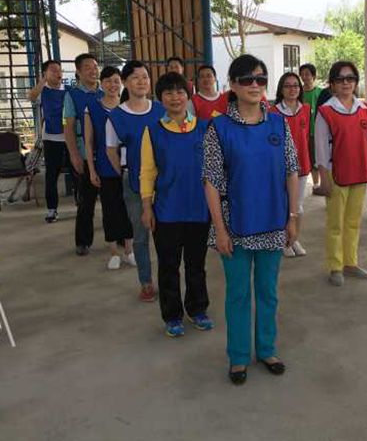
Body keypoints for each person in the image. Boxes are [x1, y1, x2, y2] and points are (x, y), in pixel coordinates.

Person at [203, 54, 299, 385]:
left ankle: (267, 349)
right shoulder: (219, 128)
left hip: (273, 221)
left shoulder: (278, 124)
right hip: (235, 226)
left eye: (260, 79)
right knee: (238, 294)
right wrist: (220, 230)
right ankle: (239, 357)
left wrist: (292, 217)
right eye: (247, 80)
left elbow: (292, 170)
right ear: (233, 85)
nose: (255, 85)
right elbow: (211, 181)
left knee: (268, 291)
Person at [140, 72, 213, 338]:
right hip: (167, 212)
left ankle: (198, 309)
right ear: (160, 98)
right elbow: (147, 172)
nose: (175, 97)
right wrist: (147, 208)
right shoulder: (153, 131)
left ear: (188, 95)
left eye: (180, 92)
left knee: (196, 265)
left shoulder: (205, 128)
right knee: (169, 266)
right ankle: (172, 316)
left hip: (199, 210)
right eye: (168, 93)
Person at [315, 61, 367, 286]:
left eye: (350, 78)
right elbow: (321, 149)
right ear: (332, 84)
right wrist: (324, 178)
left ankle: (350, 263)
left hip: (360, 173)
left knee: (353, 221)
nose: (346, 83)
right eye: (340, 79)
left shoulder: (364, 109)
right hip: (336, 174)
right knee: (336, 223)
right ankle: (335, 266)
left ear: (356, 82)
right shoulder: (326, 112)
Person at [106, 60, 165, 303]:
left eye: (145, 77)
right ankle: (146, 282)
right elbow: (111, 150)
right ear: (125, 82)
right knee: (140, 236)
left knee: (166, 236)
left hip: (164, 182)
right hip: (133, 183)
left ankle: (167, 281)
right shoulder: (116, 116)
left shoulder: (161, 110)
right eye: (135, 77)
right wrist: (124, 172)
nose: (142, 82)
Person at [84, 66, 135, 270]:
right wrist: (92, 170)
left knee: (129, 210)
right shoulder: (92, 108)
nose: (113, 85)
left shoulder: (127, 107)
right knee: (110, 210)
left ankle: (129, 251)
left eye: (116, 81)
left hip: (128, 167)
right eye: (108, 81)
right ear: (102, 83)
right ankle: (114, 252)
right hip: (105, 169)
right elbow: (89, 142)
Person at [63, 53, 103, 256]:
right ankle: (83, 241)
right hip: (85, 155)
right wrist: (74, 155)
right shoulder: (72, 95)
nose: (93, 70)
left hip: (108, 154)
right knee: (87, 201)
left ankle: (120, 237)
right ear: (78, 72)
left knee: (114, 199)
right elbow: (68, 127)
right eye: (87, 67)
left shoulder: (106, 92)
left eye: (95, 66)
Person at [271, 72, 312, 258]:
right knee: (283, 204)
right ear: (281, 89)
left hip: (302, 164)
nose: (292, 89)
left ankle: (294, 239)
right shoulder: (273, 112)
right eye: (287, 86)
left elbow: (307, 137)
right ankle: (283, 241)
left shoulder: (306, 109)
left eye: (295, 85)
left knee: (298, 206)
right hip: (280, 166)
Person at [28, 59, 68, 223]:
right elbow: (31, 96)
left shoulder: (68, 90)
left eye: (59, 70)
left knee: (77, 172)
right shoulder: (42, 91)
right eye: (53, 70)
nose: (58, 73)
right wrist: (42, 81)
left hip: (70, 137)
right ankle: (52, 210)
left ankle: (82, 204)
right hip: (51, 138)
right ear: (45, 73)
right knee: (51, 175)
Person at [300, 63, 324, 190]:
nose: (304, 77)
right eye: (302, 74)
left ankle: (316, 185)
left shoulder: (320, 92)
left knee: (316, 158)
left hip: (316, 131)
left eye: (307, 74)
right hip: (301, 131)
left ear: (313, 76)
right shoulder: (298, 92)